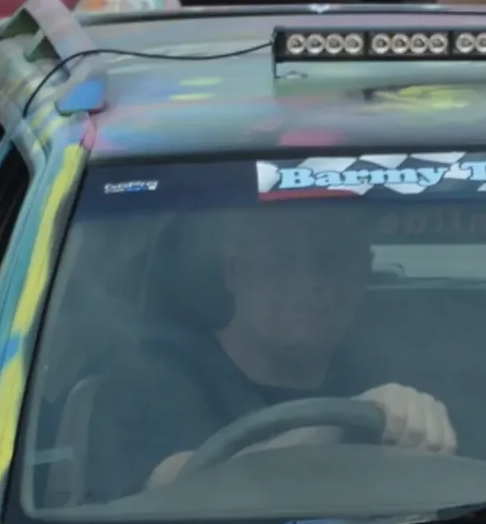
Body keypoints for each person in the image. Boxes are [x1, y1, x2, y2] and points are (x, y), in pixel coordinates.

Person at [92, 201, 454, 496]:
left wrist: (418, 428)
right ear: (235, 271)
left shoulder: (399, 376)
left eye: (330, 262)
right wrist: (344, 424)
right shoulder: (148, 381)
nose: (307, 284)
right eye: (280, 262)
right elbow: (169, 493)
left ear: (363, 273)